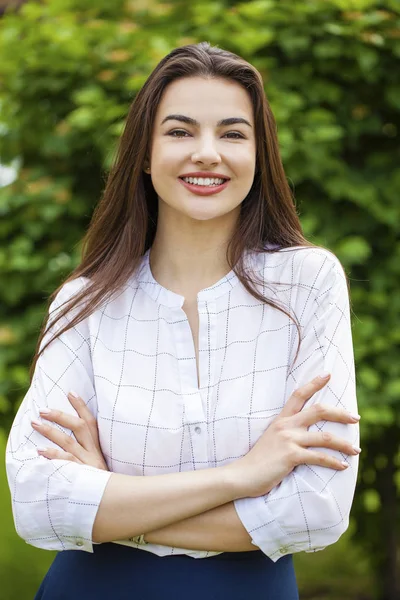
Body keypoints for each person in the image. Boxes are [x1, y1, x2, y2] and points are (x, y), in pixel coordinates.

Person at [5, 42, 360, 600]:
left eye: (233, 133)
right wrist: (241, 479)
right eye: (179, 131)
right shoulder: (85, 302)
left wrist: (111, 501)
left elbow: (317, 510)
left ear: (259, 156)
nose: (207, 153)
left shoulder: (308, 284)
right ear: (144, 154)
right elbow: (37, 503)